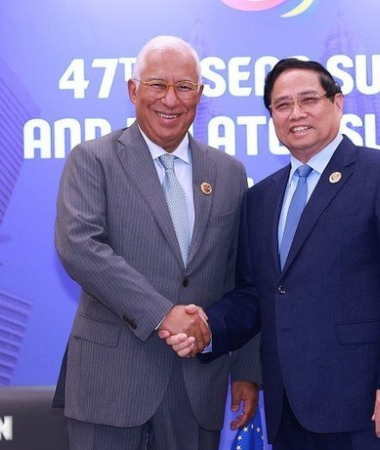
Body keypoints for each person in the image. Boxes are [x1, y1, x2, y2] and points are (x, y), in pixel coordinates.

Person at [162, 58, 380, 449]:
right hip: (289, 410)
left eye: (308, 99)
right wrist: (208, 327)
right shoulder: (261, 198)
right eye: (282, 105)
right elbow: (253, 295)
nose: (295, 113)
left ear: (338, 103)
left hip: (370, 408)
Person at [53, 35, 260, 450]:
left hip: (198, 384)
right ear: (133, 90)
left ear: (199, 95)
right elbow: (80, 245)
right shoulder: (93, 158)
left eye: (184, 87)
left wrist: (248, 370)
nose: (170, 99)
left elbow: (246, 279)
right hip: (110, 381)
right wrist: (162, 314)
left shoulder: (230, 173)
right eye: (156, 85)